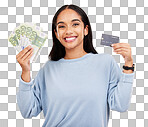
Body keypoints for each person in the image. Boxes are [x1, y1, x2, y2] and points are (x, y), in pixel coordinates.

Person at [16, 4, 135, 127]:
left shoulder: (106, 63)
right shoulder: (48, 69)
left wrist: (128, 64)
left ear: (86, 30)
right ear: (56, 34)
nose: (68, 31)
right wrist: (25, 71)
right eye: (62, 26)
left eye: (75, 24)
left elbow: (120, 105)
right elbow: (28, 111)